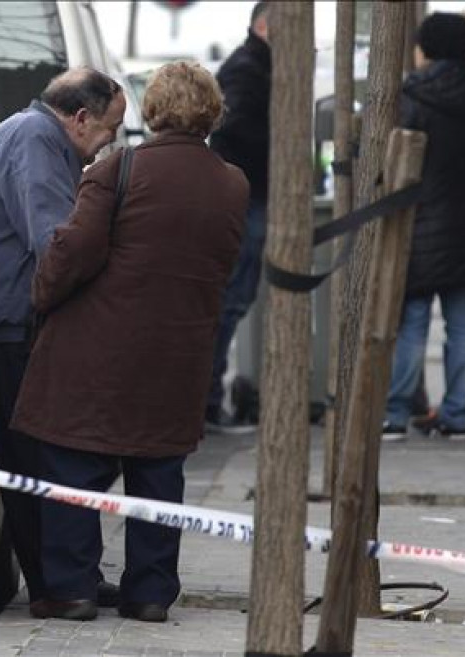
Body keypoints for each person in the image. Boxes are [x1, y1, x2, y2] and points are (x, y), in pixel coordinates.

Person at [11, 61, 249, 622]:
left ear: (154, 109)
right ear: (211, 113)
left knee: (74, 464)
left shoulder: (118, 170)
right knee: (158, 473)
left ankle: (71, 588)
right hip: (180, 353)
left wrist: (41, 296)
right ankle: (149, 593)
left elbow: (71, 254)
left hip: (99, 351)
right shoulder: (232, 184)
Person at [0, 68, 126, 608]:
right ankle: (56, 586)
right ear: (80, 118)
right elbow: (56, 243)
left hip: (13, 323)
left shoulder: (26, 133)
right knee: (37, 461)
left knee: (46, 457)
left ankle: (69, 575)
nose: (110, 144)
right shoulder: (35, 142)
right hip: (13, 329)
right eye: (110, 130)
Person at [382, 12, 465, 442]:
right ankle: (458, 415)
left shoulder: (411, 95)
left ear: (425, 48)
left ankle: (395, 414)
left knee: (411, 323)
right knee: (464, 324)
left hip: (417, 224)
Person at [205, 0, 271, 432]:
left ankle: (208, 400)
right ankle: (207, 402)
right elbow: (233, 127)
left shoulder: (252, 65)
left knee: (233, 302)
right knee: (230, 302)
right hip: (246, 196)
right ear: (265, 26)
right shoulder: (248, 69)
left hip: (249, 193)